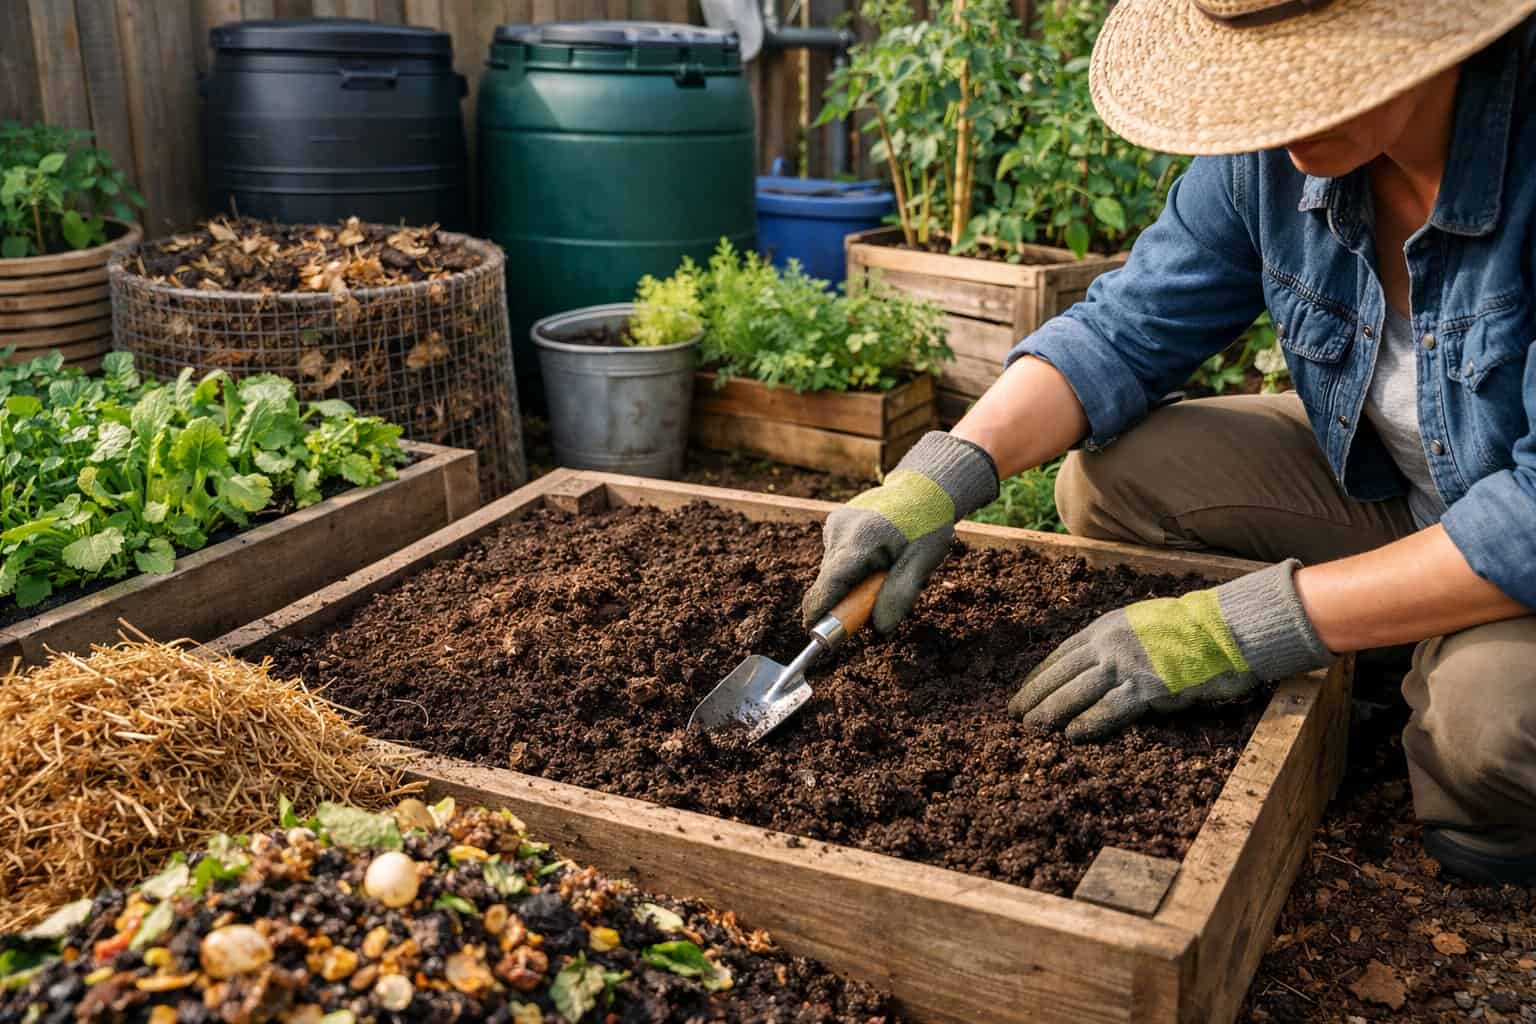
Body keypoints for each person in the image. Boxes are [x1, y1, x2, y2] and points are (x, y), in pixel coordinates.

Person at [803, 0, 1536, 885]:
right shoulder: (1268, 159)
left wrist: (1236, 629)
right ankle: (1387, 647)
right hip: (1408, 493)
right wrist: (941, 475)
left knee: (1490, 726)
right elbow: (1125, 329)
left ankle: (1481, 802)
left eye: (1310, 72)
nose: (1273, 113)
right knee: (1117, 476)